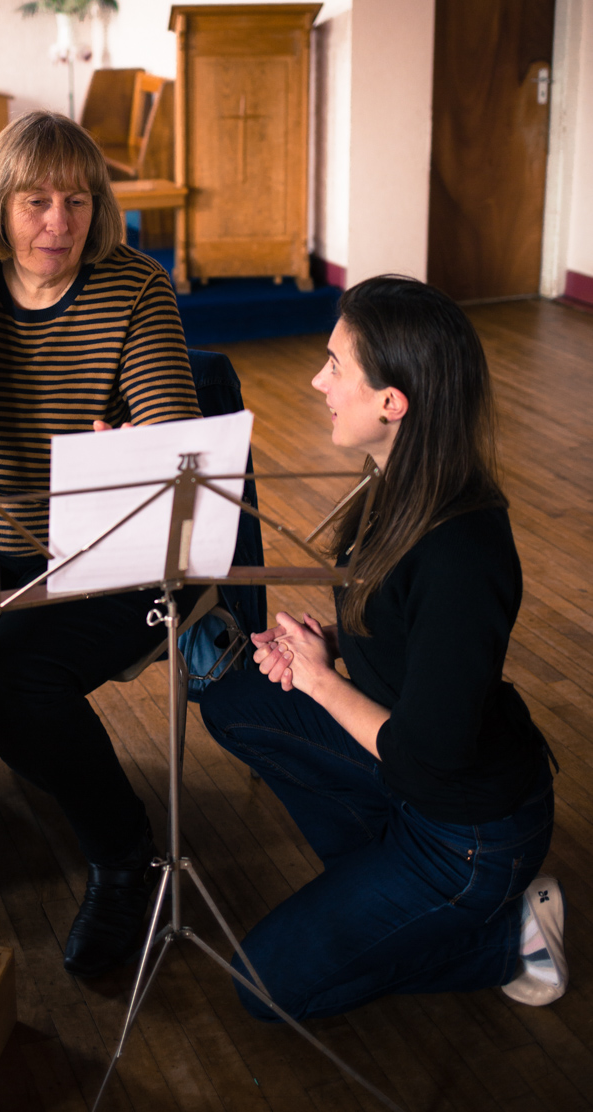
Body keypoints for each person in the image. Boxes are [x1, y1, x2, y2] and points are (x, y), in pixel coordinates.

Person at [0, 111, 201, 977]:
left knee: (9, 681)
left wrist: (123, 451)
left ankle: (125, 854)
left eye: (78, 200)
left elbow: (177, 438)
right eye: (36, 201)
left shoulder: (134, 288)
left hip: (109, 551)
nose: (60, 222)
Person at [199, 275, 567, 1021]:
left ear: (392, 404)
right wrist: (324, 641)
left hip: (466, 837)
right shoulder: (397, 482)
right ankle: (382, 880)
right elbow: (406, 625)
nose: (317, 380)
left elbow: (428, 757)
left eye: (337, 366)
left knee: (261, 988)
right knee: (234, 700)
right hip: (411, 770)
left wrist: (318, 678)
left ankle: (509, 941)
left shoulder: (463, 551)